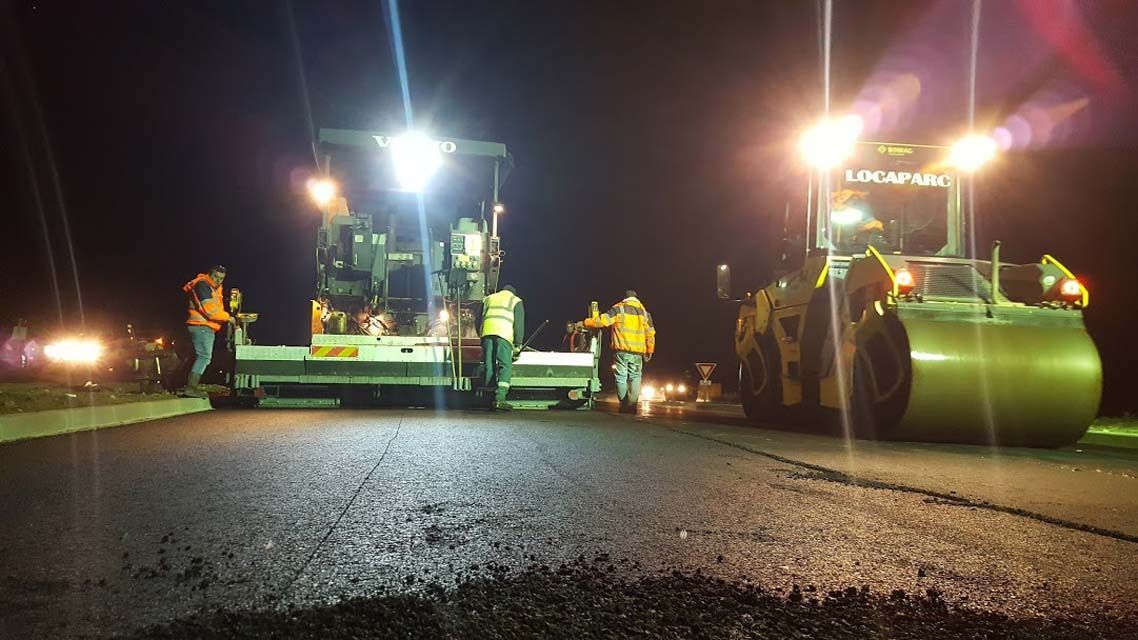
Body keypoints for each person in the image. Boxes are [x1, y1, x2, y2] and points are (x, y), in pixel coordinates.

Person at [573, 290, 656, 414]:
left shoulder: (619, 309)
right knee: (635, 377)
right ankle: (632, 406)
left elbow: (601, 321)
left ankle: (623, 405)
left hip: (621, 350)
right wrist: (650, 350)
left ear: (625, 298)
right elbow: (650, 334)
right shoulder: (645, 313)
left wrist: (585, 322)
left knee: (621, 377)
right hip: (638, 352)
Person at [181, 265, 234, 398]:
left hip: (202, 326)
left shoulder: (210, 287)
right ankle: (191, 388)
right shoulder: (203, 285)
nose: (218, 280)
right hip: (202, 326)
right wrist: (228, 317)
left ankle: (187, 386)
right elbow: (210, 311)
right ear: (209, 274)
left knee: (200, 357)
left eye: (221, 278)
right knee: (204, 357)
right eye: (216, 276)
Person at [479, 285, 524, 411]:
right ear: (512, 292)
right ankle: (500, 399)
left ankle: (488, 399)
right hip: (504, 335)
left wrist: (481, 335)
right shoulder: (515, 300)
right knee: (505, 365)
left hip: (487, 334)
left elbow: (478, 319)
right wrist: (518, 344)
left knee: (489, 365)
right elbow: (518, 324)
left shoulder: (489, 298)